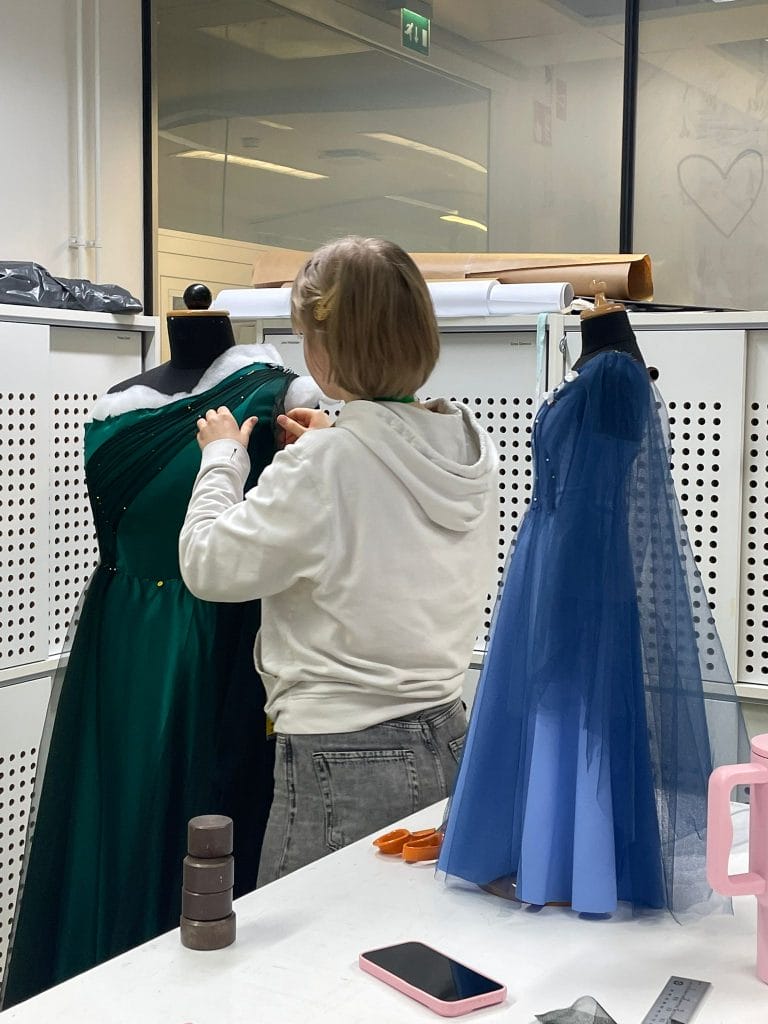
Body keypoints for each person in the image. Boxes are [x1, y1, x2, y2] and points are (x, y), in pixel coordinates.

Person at [179, 236, 499, 884]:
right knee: (410, 938)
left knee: (312, 943)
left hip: (343, 757)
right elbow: (383, 497)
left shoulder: (323, 467)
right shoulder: (468, 445)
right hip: (450, 738)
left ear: (326, 349)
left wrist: (222, 460)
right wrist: (339, 441)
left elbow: (207, 563)